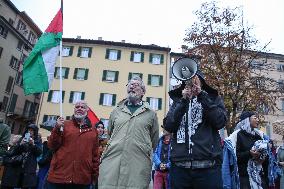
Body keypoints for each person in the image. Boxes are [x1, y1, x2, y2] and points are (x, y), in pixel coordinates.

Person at [164, 70, 227, 188]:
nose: (192, 82)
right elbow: (169, 126)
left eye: (195, 79)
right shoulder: (178, 101)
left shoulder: (212, 98)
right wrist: (182, 101)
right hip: (180, 167)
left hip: (208, 167)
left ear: (201, 82)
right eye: (188, 80)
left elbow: (220, 122)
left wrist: (202, 96)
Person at [98, 76, 159, 189]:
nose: (132, 86)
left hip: (138, 165)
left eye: (136, 85)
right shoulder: (116, 111)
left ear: (143, 91)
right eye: (130, 84)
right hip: (112, 164)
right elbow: (111, 134)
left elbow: (154, 140)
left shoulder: (151, 114)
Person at [46, 100, 100, 189]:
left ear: (87, 111)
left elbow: (95, 156)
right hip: (60, 177)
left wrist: (94, 176)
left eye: (82, 107)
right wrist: (57, 128)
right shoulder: (64, 125)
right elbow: (51, 145)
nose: (79, 109)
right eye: (77, 107)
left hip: (82, 178)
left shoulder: (93, 130)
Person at [222, 111, 277, 189]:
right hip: (244, 179)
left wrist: (264, 155)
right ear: (247, 120)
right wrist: (249, 154)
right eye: (255, 118)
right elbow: (233, 158)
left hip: (259, 177)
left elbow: (267, 159)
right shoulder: (237, 136)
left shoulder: (260, 136)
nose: (258, 120)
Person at [1, 124, 42, 189]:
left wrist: (33, 145)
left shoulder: (38, 141)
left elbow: (39, 153)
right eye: (29, 130)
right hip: (18, 165)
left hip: (29, 167)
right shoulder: (22, 138)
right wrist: (20, 144)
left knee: (25, 185)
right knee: (15, 183)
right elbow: (14, 152)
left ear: (35, 132)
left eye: (32, 130)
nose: (30, 131)